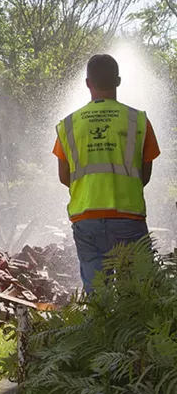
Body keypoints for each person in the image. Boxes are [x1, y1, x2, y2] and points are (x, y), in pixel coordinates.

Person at [53, 54, 160, 292]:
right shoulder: (138, 120)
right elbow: (145, 174)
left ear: (88, 83)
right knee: (136, 297)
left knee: (98, 299)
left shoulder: (69, 124)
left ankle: (100, 329)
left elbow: (64, 177)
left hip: (86, 220)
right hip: (128, 218)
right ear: (118, 81)